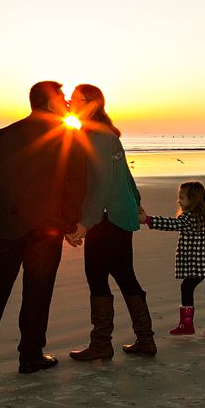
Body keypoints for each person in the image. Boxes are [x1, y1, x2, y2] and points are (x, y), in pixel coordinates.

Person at [0, 81, 87, 374]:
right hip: (45, 228)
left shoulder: (6, 134)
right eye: (61, 97)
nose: (66, 102)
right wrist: (70, 222)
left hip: (6, 226)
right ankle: (31, 355)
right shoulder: (69, 136)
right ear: (49, 102)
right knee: (38, 292)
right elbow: (75, 184)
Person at [67, 84, 157, 361]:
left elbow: (104, 183)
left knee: (98, 277)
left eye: (75, 98)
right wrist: (137, 201)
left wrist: (86, 222)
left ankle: (103, 343)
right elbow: (126, 175)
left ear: (91, 104)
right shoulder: (103, 134)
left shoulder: (97, 136)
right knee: (123, 274)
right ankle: (144, 340)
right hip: (118, 214)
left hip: (108, 217)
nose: (70, 102)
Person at [139, 181, 205, 340]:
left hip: (201, 263)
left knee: (187, 287)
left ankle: (187, 325)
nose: (178, 201)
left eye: (181, 197)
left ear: (193, 199)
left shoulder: (189, 217)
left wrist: (148, 220)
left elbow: (172, 224)